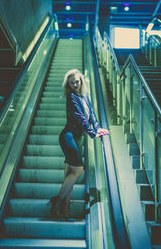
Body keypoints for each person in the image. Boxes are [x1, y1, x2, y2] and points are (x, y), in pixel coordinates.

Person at [49, 69, 109, 220]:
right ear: (68, 85)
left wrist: (97, 128)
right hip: (68, 137)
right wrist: (92, 133)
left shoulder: (85, 96)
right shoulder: (71, 97)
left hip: (77, 138)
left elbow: (92, 115)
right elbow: (81, 118)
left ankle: (64, 211)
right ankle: (57, 202)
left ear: (81, 81)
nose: (75, 85)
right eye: (72, 83)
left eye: (77, 81)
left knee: (70, 175)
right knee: (78, 171)